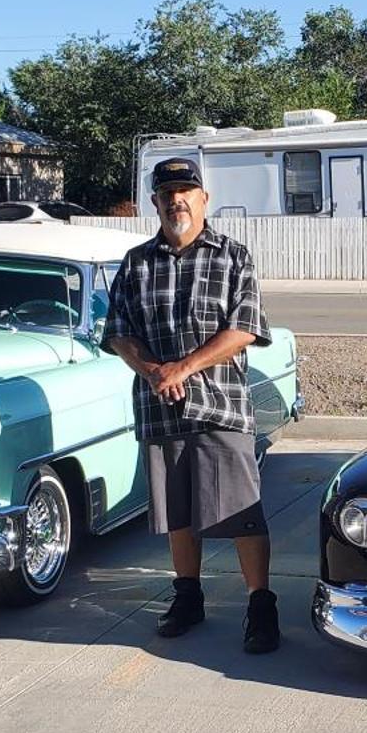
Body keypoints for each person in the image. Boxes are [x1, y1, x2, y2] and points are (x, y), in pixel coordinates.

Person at [103, 157, 279, 653]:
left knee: (243, 511)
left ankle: (261, 606)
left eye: (185, 190)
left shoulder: (233, 256)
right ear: (154, 202)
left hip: (220, 405)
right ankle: (188, 596)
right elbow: (118, 332)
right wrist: (154, 371)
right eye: (166, 193)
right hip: (161, 407)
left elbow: (245, 328)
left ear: (204, 198)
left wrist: (183, 367)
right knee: (177, 515)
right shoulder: (137, 263)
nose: (175, 199)